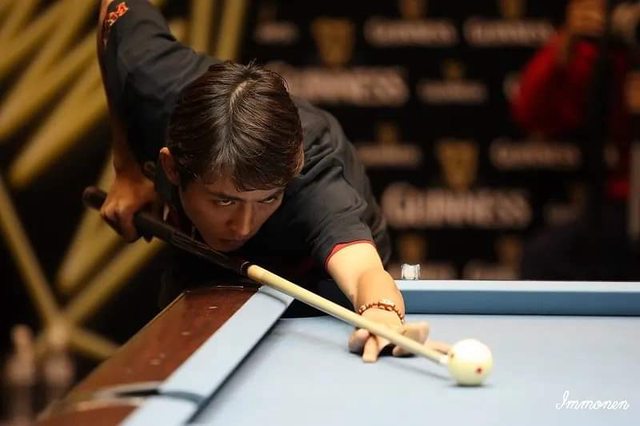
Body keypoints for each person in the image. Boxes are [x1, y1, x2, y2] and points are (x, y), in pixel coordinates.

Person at [96, 0, 438, 362]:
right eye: (224, 200)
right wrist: (127, 168)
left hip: (311, 272)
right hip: (201, 253)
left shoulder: (313, 184)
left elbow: (362, 268)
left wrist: (381, 314)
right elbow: (112, 12)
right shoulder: (151, 76)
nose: (243, 226)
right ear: (172, 168)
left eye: (267, 199)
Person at [511, 0, 640, 280]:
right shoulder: (608, 54)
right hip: (622, 202)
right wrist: (565, 44)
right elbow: (532, 113)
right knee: (544, 258)